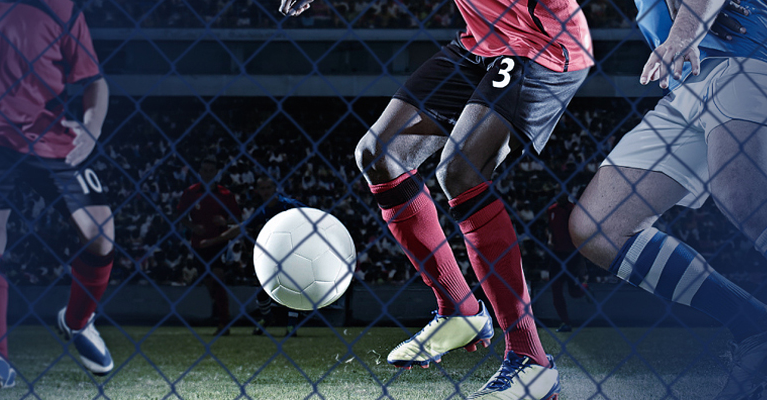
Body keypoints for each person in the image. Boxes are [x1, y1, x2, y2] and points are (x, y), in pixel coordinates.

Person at [282, 1, 594, 398]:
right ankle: (459, 310)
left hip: (541, 43)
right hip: (481, 41)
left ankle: (530, 358)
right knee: (378, 155)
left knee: (460, 171)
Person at [568, 0, 767, 396]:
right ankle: (754, 328)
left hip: (743, 57)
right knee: (599, 227)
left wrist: (684, 32)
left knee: (740, 192)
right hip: (684, 83)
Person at [0, 0, 115, 380]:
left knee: (100, 234)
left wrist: (91, 131)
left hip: (48, 136)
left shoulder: (62, 9)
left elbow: (94, 81)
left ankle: (78, 321)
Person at [176, 157, 242, 336]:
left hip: (219, 242)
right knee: (210, 283)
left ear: (216, 173)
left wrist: (224, 221)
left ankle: (224, 323)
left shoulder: (225, 194)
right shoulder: (191, 193)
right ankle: (220, 311)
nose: (207, 174)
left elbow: (237, 219)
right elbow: (180, 216)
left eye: (211, 171)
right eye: (204, 171)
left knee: (218, 277)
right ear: (199, 172)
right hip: (198, 244)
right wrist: (193, 226)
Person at [248, 175, 304, 337]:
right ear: (258, 191)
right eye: (262, 188)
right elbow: (246, 225)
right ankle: (267, 317)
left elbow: (313, 215)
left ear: (275, 189)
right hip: (270, 256)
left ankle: (291, 325)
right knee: (262, 290)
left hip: (292, 253)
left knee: (292, 288)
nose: (266, 191)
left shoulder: (289, 205)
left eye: (268, 188)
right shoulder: (262, 210)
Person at [546, 193, 588, 333]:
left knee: (574, 292)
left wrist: (580, 257)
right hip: (557, 255)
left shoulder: (573, 210)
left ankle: (585, 288)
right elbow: (550, 229)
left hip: (572, 255)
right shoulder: (551, 210)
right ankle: (565, 322)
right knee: (556, 290)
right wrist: (550, 240)